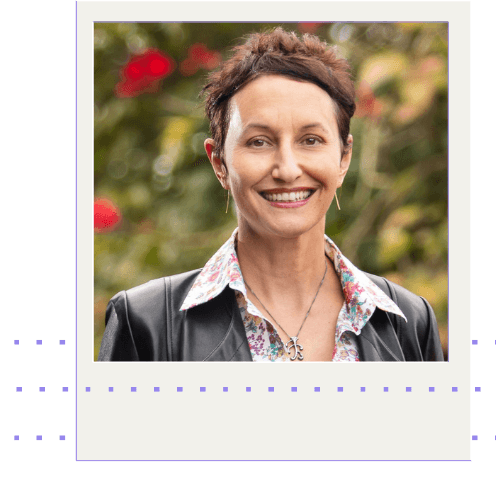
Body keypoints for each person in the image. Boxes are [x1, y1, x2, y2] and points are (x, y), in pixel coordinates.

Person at [98, 27, 444, 362]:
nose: (288, 169)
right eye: (259, 142)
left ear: (343, 158)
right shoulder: (145, 322)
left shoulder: (409, 322)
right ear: (219, 163)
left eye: (311, 140)